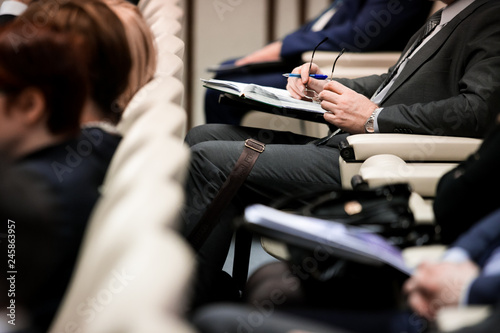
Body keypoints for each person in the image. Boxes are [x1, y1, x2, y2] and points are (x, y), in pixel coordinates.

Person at [183, 0, 500, 309]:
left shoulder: (491, 16)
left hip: (368, 161)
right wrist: (327, 88)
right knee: (202, 136)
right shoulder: (447, 14)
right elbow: (390, 83)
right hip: (349, 145)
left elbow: (475, 112)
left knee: (209, 162)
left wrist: (373, 118)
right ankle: (208, 284)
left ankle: (180, 299)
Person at [205, 0, 433, 125]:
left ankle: (228, 176)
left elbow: (356, 36)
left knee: (220, 93)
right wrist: (279, 47)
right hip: (308, 61)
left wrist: (282, 48)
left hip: (340, 68)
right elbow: (320, 25)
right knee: (226, 73)